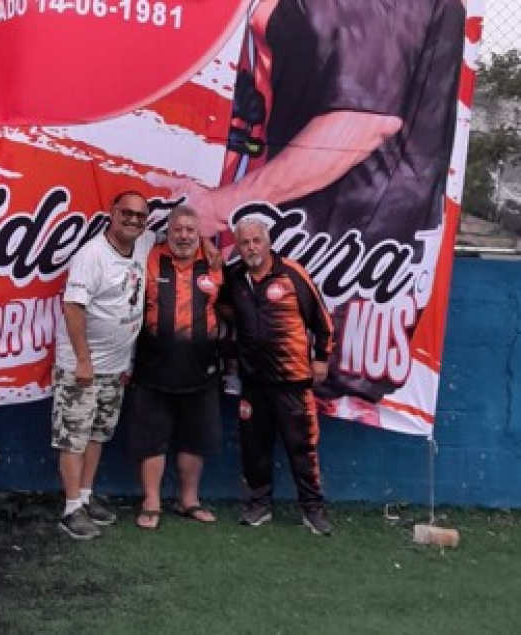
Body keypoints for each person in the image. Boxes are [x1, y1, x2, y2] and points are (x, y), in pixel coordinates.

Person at [149, 0, 466, 414]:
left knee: (299, 415)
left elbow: (363, 120)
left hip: (340, 264)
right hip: (324, 269)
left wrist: (218, 207)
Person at [219, 217, 334, 534]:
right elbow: (222, 306)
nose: (251, 248)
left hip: (293, 382)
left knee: (302, 448)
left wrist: (321, 358)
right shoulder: (235, 278)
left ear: (268, 243)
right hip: (253, 383)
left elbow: (322, 319)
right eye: (244, 243)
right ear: (238, 246)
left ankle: (312, 509)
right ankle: (259, 504)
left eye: (256, 241)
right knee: (253, 448)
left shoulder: (292, 273)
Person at [52, 191, 156, 540]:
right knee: (74, 438)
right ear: (112, 213)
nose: (133, 220)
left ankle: (85, 496)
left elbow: (182, 230)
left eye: (140, 216)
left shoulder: (143, 244)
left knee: (97, 434)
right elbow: (73, 307)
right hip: (82, 367)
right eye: (126, 213)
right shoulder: (91, 255)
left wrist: (208, 248)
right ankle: (71, 509)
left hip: (115, 367)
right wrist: (83, 361)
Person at [125, 206, 223, 530]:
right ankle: (151, 501)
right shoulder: (149, 256)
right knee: (151, 437)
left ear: (199, 233)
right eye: (177, 229)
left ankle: (189, 500)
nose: (184, 235)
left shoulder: (214, 263)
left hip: (201, 369)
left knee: (195, 438)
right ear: (167, 232)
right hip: (154, 367)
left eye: (190, 230)